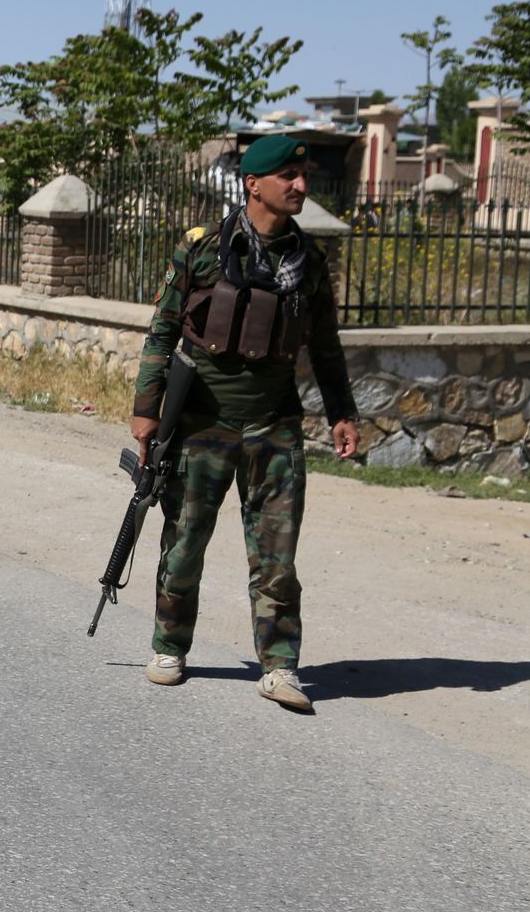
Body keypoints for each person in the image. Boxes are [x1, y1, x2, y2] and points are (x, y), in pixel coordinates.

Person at [130, 134, 361, 713]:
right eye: (289, 177)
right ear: (253, 184)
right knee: (185, 542)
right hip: (201, 422)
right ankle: (169, 646)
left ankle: (280, 666)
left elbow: (326, 348)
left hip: (274, 425)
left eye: (303, 177)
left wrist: (342, 413)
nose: (301, 186)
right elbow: (162, 331)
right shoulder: (203, 249)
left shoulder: (309, 263)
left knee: (277, 556)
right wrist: (146, 409)